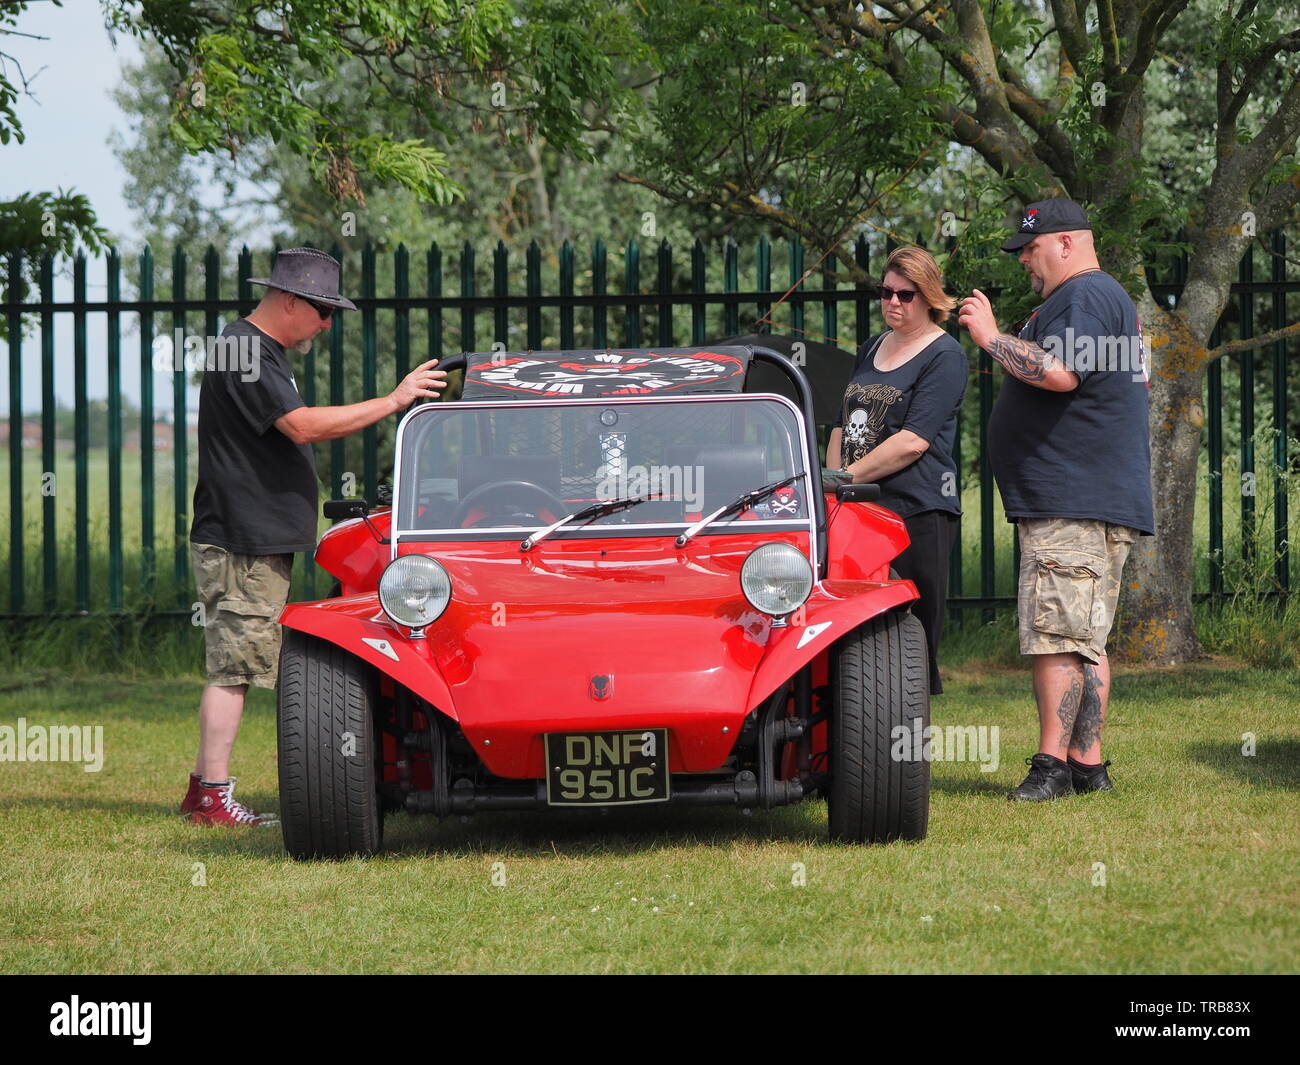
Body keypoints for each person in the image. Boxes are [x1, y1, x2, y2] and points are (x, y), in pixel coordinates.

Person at [181, 247, 447, 825]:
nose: (327, 324)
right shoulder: (246, 350)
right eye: (323, 311)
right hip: (241, 540)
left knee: (240, 664)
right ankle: (212, 798)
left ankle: (204, 789)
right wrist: (395, 401)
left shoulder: (254, 350)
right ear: (290, 300)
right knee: (236, 669)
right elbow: (300, 427)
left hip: (251, 537)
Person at [957, 198, 1154, 802]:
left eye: (1029, 249)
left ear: (1065, 243)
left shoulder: (1086, 296)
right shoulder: (1091, 299)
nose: (1023, 262)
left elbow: (1061, 372)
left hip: (1073, 498)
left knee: (1057, 634)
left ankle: (1051, 767)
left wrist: (991, 338)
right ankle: (1087, 765)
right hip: (1089, 496)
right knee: (1083, 635)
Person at [827, 246, 968, 694]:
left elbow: (912, 441)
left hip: (916, 510)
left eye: (905, 295)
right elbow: (840, 425)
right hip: (855, 508)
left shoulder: (945, 356)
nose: (892, 302)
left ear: (928, 297)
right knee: (852, 623)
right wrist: (832, 488)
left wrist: (846, 480)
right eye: (885, 292)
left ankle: (906, 745)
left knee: (911, 634)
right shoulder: (871, 346)